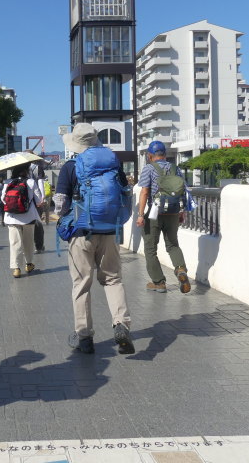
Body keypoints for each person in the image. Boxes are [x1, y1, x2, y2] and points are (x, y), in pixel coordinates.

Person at [54, 123, 134, 355]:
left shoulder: (70, 167)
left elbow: (60, 204)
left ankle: (85, 337)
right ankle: (121, 324)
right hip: (109, 232)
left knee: (82, 285)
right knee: (113, 280)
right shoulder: (114, 165)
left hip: (81, 233)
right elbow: (125, 194)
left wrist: (64, 216)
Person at [135, 140, 191, 294]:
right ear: (165, 155)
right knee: (173, 244)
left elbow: (144, 192)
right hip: (173, 212)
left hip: (155, 212)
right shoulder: (175, 168)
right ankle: (180, 269)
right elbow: (182, 190)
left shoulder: (148, 169)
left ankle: (159, 282)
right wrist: (182, 212)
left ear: (150, 156)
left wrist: (141, 215)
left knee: (150, 248)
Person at [2, 166, 43, 278]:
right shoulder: (31, 182)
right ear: (26, 171)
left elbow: (3, 199)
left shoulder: (8, 182)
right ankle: (28, 264)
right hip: (28, 217)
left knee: (15, 243)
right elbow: (39, 200)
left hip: (11, 217)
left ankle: (16, 268)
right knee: (28, 242)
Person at [28, 161, 46, 253]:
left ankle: (26, 246)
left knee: (26, 224)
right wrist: (42, 198)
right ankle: (39, 246)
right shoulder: (37, 168)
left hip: (23, 200)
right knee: (37, 223)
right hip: (35, 200)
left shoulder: (19, 167)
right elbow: (40, 183)